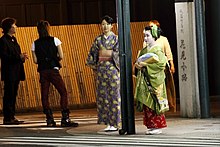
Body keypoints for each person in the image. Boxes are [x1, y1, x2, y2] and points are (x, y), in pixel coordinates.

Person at [31, 20, 78, 127]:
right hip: (53, 69)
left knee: (45, 95)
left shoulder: (35, 43)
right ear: (48, 28)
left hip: (43, 71)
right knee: (63, 92)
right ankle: (65, 118)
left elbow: (35, 60)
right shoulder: (55, 40)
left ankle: (49, 119)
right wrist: (53, 59)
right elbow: (61, 55)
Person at [86, 15, 121, 132]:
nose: (105, 26)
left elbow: (118, 53)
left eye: (107, 24)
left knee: (114, 96)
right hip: (101, 71)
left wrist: (107, 53)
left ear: (112, 26)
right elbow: (92, 54)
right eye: (103, 24)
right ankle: (108, 122)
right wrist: (94, 64)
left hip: (113, 70)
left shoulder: (116, 39)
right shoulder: (98, 40)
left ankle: (115, 122)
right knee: (103, 96)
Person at [134, 24, 169, 135]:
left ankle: (157, 126)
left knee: (155, 103)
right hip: (145, 80)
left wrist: (146, 65)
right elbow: (138, 62)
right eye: (144, 35)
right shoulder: (145, 50)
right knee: (147, 104)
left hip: (154, 81)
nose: (145, 38)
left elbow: (161, 65)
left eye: (147, 36)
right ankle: (150, 125)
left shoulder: (158, 50)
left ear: (154, 36)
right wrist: (138, 65)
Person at [143, 20, 176, 112]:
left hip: (161, 66)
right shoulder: (147, 39)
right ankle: (154, 105)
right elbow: (144, 52)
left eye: (153, 27)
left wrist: (172, 64)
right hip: (150, 67)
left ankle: (168, 104)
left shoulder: (163, 39)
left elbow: (168, 53)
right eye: (149, 26)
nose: (151, 28)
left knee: (165, 86)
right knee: (152, 87)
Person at [0, 17, 28, 125]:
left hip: (16, 70)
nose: (16, 27)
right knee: (9, 94)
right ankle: (7, 118)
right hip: (9, 72)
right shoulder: (2, 41)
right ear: (9, 28)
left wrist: (22, 57)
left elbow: (16, 54)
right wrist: (18, 56)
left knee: (14, 94)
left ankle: (12, 116)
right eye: (13, 26)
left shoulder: (14, 39)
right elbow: (4, 56)